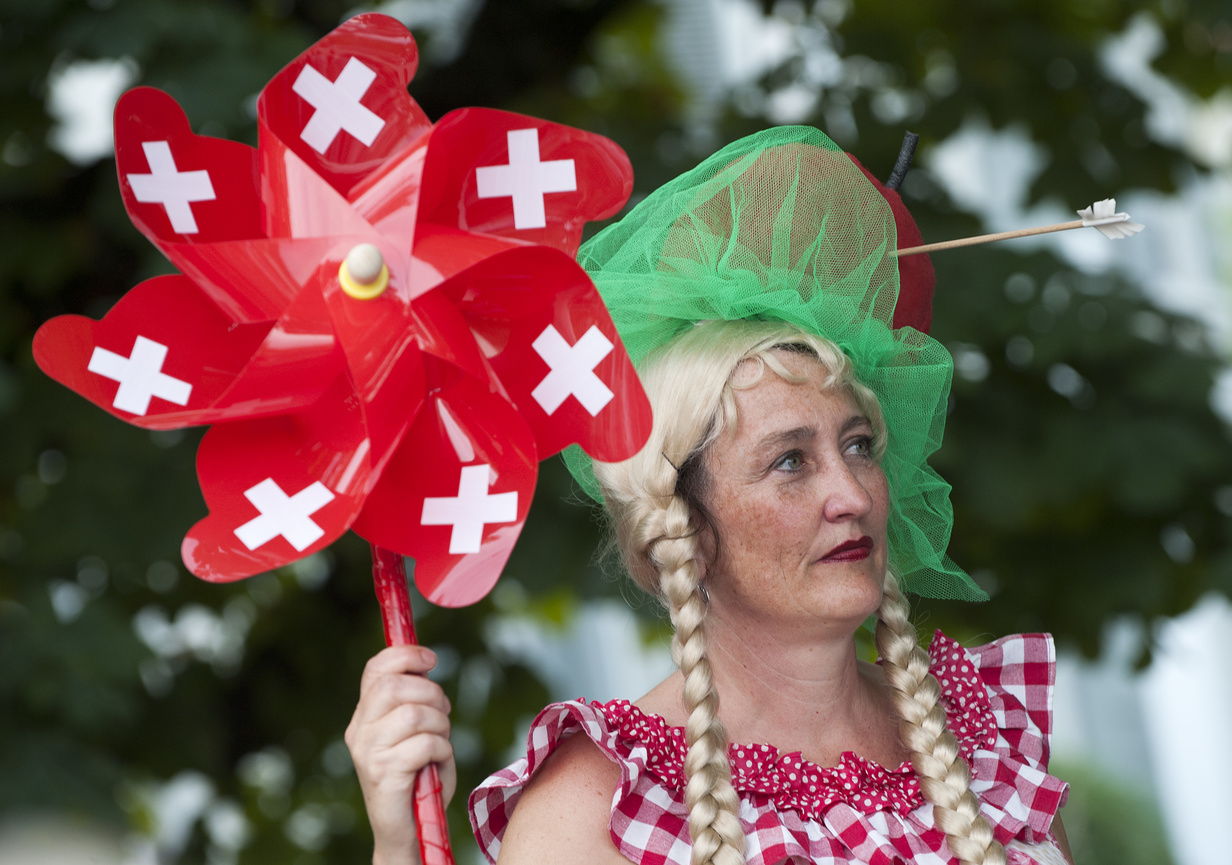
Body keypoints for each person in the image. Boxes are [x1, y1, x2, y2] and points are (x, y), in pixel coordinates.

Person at [346, 127, 1073, 865]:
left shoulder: (982, 733)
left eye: (858, 446)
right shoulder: (597, 805)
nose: (850, 493)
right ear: (684, 522)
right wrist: (399, 847)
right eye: (790, 461)